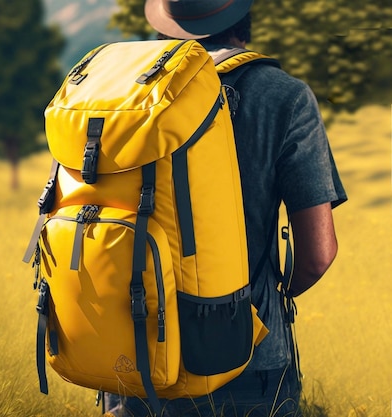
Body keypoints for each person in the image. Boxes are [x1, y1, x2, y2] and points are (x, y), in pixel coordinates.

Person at [104, 0, 347, 416]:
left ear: (166, 25)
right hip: (247, 364)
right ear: (242, 22)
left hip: (131, 358)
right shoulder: (284, 97)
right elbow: (317, 257)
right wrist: (269, 301)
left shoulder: (121, 93)